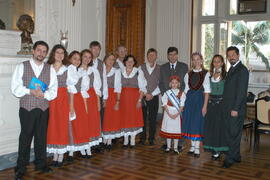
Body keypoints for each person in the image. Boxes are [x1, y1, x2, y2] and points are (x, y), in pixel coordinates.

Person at [11, 41, 57, 180]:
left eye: (44, 51)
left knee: (41, 137)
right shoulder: (22, 66)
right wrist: (30, 91)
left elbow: (54, 90)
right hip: (27, 108)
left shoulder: (50, 68)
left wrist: (44, 94)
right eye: (39, 50)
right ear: (33, 51)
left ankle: (41, 164)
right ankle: (21, 167)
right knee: (25, 138)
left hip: (43, 108)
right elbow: (15, 88)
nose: (41, 53)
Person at [222, 46, 249, 168]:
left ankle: (230, 159)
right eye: (229, 55)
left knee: (233, 133)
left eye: (233, 55)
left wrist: (235, 109)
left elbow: (241, 92)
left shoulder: (242, 70)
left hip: (235, 109)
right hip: (228, 107)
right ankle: (236, 155)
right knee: (232, 132)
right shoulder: (232, 69)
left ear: (238, 55)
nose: (231, 57)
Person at [159, 47, 188, 150]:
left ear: (177, 55)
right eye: (170, 54)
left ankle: (179, 143)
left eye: (174, 54)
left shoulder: (184, 66)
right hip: (167, 100)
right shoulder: (162, 67)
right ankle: (167, 142)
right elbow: (161, 83)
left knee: (179, 121)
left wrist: (180, 95)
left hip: (179, 99)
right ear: (167, 56)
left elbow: (185, 83)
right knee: (167, 121)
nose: (172, 56)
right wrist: (165, 96)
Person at [182, 52, 210, 158]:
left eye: (198, 59)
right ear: (192, 61)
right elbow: (186, 90)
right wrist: (182, 103)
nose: (196, 61)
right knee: (190, 123)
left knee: (197, 123)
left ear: (201, 60)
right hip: (189, 101)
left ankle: (197, 147)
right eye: (194, 59)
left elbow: (207, 91)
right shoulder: (188, 74)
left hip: (199, 101)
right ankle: (192, 146)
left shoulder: (206, 73)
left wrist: (205, 106)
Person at [46, 44, 69, 167]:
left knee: (61, 125)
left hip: (62, 99)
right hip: (50, 99)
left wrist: (71, 106)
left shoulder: (67, 69)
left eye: (62, 53)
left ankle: (60, 155)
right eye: (57, 52)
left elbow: (71, 89)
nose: (60, 55)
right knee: (52, 125)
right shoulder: (47, 68)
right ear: (53, 54)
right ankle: (54, 154)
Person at [203, 55, 228, 160]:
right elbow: (207, 92)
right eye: (214, 62)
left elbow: (228, 92)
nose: (216, 63)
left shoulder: (226, 75)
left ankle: (219, 149)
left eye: (218, 61)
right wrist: (205, 107)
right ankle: (214, 149)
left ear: (222, 63)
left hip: (222, 105)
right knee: (211, 128)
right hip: (211, 105)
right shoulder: (209, 75)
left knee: (220, 128)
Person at [67, 50, 91, 159]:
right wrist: (71, 106)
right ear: (70, 59)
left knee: (80, 124)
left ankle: (82, 148)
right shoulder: (68, 70)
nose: (77, 61)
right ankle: (71, 151)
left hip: (79, 100)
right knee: (71, 125)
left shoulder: (81, 72)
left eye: (78, 59)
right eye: (74, 59)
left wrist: (85, 105)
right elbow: (70, 89)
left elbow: (83, 90)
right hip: (70, 99)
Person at [120, 55, 147, 148]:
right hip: (123, 99)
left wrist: (140, 100)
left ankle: (132, 140)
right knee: (125, 118)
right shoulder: (120, 72)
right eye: (128, 61)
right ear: (125, 62)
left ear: (134, 62)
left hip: (134, 99)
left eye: (132, 61)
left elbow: (142, 88)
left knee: (133, 118)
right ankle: (125, 140)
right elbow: (118, 87)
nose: (130, 63)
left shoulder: (138, 72)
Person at [81, 49, 102, 153]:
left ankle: (88, 147)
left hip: (92, 97)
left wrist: (98, 102)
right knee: (83, 122)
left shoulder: (94, 71)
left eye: (89, 57)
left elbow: (97, 88)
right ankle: (82, 147)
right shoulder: (76, 70)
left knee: (91, 121)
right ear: (81, 57)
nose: (87, 59)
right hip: (80, 98)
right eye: (85, 56)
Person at [89, 41, 108, 152]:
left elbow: (104, 80)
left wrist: (105, 97)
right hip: (88, 96)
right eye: (94, 49)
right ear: (90, 49)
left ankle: (97, 143)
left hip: (99, 95)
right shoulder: (85, 61)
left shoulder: (102, 64)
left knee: (99, 119)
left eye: (98, 49)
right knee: (89, 119)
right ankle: (89, 142)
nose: (96, 51)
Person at [139, 48, 160, 146]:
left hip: (154, 96)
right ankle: (142, 138)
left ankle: (151, 138)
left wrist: (152, 94)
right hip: (143, 96)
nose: (151, 57)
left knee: (153, 118)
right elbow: (139, 82)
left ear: (156, 56)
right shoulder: (141, 67)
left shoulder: (160, 68)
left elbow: (161, 83)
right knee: (142, 118)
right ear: (147, 56)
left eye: (153, 55)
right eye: (149, 55)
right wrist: (146, 93)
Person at [160, 76, 186, 154]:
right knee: (169, 130)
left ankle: (175, 148)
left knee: (175, 131)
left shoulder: (182, 93)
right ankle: (168, 147)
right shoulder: (167, 93)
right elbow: (164, 103)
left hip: (177, 113)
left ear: (178, 84)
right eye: (172, 83)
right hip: (168, 113)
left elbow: (182, 105)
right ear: (170, 84)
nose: (174, 84)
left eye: (176, 83)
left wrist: (177, 114)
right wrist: (169, 113)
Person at [102, 53, 122, 149]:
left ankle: (109, 140)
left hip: (112, 96)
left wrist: (117, 101)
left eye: (113, 59)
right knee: (103, 118)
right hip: (102, 95)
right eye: (109, 59)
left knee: (110, 118)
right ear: (105, 60)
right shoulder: (100, 70)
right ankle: (103, 139)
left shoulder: (116, 71)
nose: (111, 61)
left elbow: (118, 87)